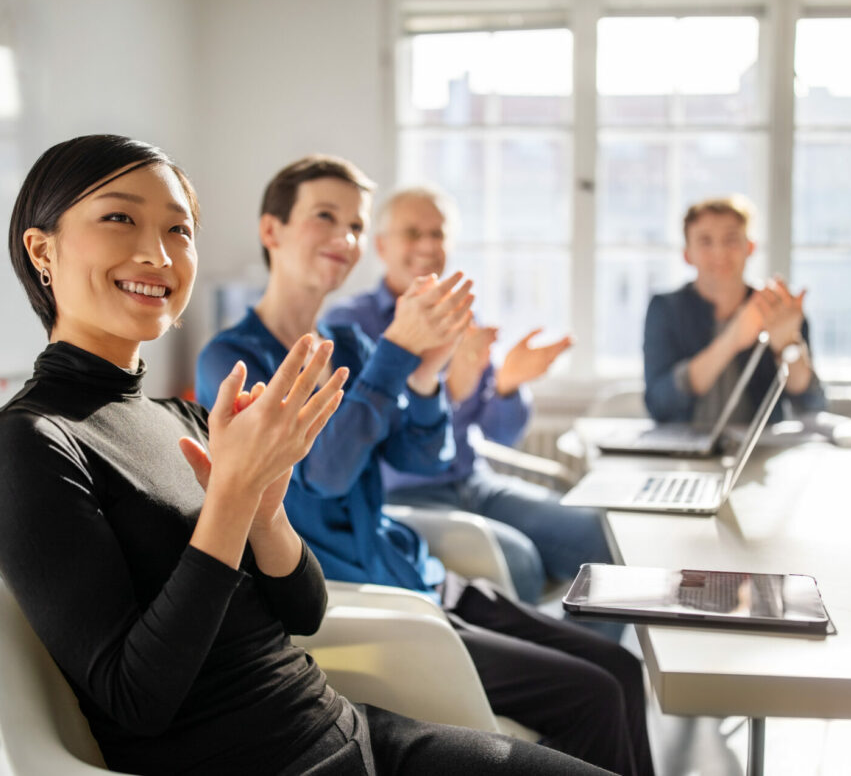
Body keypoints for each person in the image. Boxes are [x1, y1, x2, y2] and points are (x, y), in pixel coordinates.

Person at [0, 135, 613, 776]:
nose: (159, 252)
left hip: (352, 728)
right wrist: (231, 498)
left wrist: (266, 510)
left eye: (180, 229)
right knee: (594, 696)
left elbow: (305, 611)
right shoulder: (28, 443)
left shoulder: (183, 416)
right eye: (119, 217)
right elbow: (139, 699)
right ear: (42, 250)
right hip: (280, 761)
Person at [196, 156, 655, 776]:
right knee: (594, 694)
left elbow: (422, 455)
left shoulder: (353, 347)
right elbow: (320, 478)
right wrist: (396, 357)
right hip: (367, 603)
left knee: (623, 669)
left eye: (355, 225)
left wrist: (429, 371)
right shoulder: (235, 357)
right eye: (325, 217)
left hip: (419, 574)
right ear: (271, 230)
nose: (345, 238)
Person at [324, 187, 615, 603]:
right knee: (520, 562)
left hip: (474, 483)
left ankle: (585, 661)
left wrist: (509, 385)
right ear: (382, 246)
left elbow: (501, 434)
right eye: (413, 233)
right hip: (402, 495)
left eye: (438, 234)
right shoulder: (348, 324)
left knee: (601, 538)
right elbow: (361, 439)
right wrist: (451, 392)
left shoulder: (462, 316)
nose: (428, 245)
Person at [643, 195, 827, 425]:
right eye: (705, 241)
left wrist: (788, 345)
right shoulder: (665, 310)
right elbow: (659, 404)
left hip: (759, 452)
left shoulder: (777, 309)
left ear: (750, 247)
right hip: (682, 453)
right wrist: (734, 338)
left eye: (731, 240)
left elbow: (812, 405)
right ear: (687, 254)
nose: (719, 253)